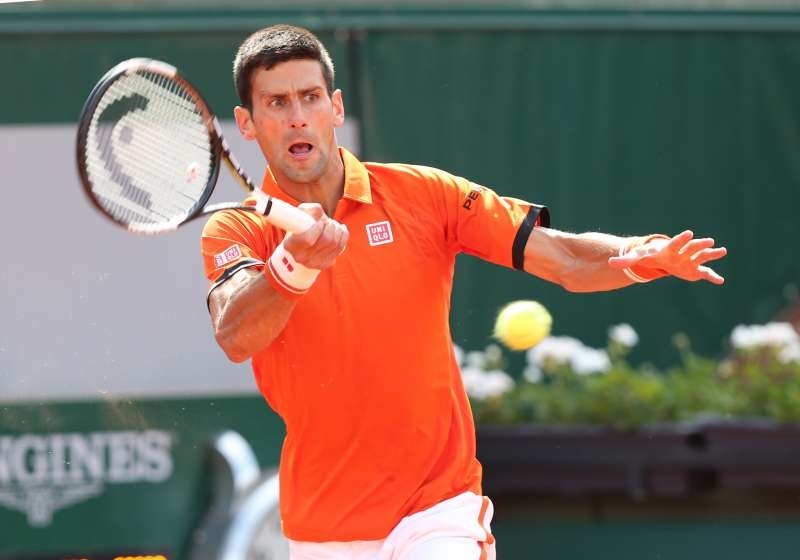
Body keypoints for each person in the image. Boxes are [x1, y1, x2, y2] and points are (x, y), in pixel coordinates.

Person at [200, 24, 727, 560]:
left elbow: (563, 257)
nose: (296, 117)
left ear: (335, 107)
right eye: (276, 102)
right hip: (324, 526)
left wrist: (639, 255)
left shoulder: (424, 195)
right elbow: (237, 334)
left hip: (438, 510)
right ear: (247, 123)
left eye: (310, 97)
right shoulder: (236, 231)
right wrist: (295, 264)